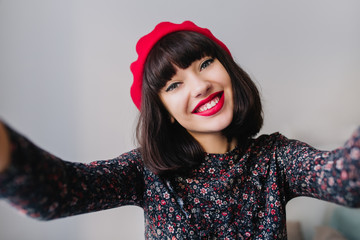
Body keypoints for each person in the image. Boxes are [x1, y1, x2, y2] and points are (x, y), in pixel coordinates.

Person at [0, 20, 359, 239]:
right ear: (165, 112)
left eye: (205, 63)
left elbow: (345, 179)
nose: (199, 85)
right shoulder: (146, 172)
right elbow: (60, 192)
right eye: (173, 85)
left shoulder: (276, 158)